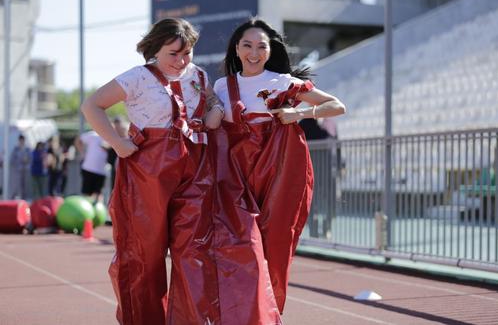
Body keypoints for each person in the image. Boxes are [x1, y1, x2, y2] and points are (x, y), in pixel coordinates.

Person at [81, 17, 224, 325]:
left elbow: (212, 99)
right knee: (143, 254)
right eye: (173, 53)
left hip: (195, 167)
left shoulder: (198, 74)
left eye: (187, 53)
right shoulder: (137, 77)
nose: (181, 60)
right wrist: (117, 143)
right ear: (156, 49)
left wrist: (216, 109)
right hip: (148, 168)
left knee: (194, 252)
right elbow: (91, 105)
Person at [213, 18, 346, 315]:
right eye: (247, 45)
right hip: (235, 177)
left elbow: (337, 105)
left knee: (274, 246)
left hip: (278, 172)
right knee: (238, 244)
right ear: (236, 49)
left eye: (262, 46)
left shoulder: (284, 82)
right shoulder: (222, 86)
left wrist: (299, 113)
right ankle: (238, 313)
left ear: (270, 51)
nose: (254, 52)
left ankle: (268, 315)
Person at [74, 130, 108, 201]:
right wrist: (82, 152)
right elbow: (78, 139)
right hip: (88, 169)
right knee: (86, 193)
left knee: (98, 194)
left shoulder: (111, 137)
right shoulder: (93, 135)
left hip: (102, 171)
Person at [10, 135, 31, 199]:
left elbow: (31, 159)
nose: (22, 141)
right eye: (20, 140)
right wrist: (19, 161)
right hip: (18, 170)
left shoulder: (27, 149)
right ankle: (18, 197)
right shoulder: (16, 149)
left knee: (25, 185)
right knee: (18, 185)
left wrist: (27, 160)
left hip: (25, 169)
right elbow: (12, 160)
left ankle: (24, 198)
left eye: (23, 140)